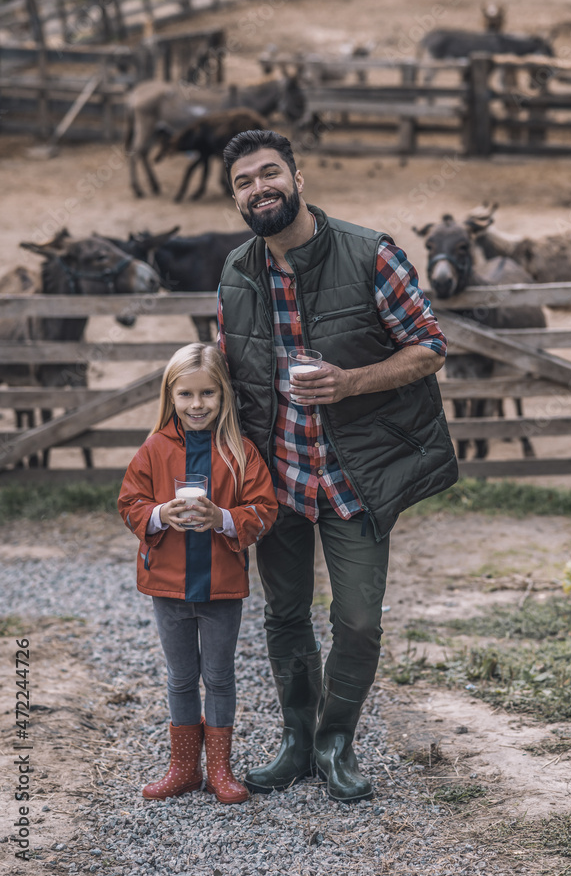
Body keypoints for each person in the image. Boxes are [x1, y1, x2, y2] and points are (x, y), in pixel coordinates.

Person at [217, 129, 458, 803]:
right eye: (243, 181)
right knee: (285, 614)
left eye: (269, 174)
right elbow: (228, 363)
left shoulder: (370, 255)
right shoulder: (237, 270)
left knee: (357, 620)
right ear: (235, 197)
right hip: (279, 479)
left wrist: (349, 383)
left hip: (356, 477)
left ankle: (335, 741)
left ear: (298, 179)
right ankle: (297, 741)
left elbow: (429, 347)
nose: (258, 187)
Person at [118, 343, 278, 804]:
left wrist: (224, 519)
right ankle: (184, 767)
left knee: (221, 676)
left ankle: (220, 770)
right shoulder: (154, 449)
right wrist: (160, 513)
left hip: (221, 587)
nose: (196, 405)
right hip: (166, 586)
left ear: (224, 395)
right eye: (185, 395)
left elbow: (264, 510)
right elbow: (129, 502)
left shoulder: (239, 451)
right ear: (171, 396)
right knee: (181, 678)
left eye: (208, 393)